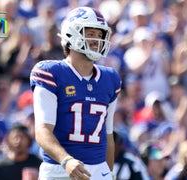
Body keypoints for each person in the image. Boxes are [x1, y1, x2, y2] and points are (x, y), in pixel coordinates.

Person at [30, 6, 121, 180]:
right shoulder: (51, 72)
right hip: (59, 170)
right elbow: (42, 130)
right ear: (71, 34)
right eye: (91, 33)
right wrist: (66, 161)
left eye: (100, 35)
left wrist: (109, 173)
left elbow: (107, 136)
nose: (96, 40)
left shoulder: (111, 78)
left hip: (98, 171)